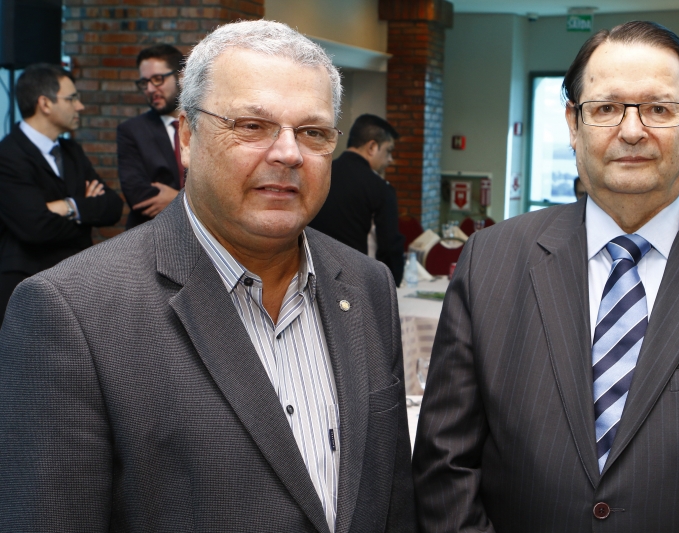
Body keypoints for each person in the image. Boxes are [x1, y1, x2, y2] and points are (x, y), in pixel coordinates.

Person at [0, 21, 414, 532]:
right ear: (188, 139)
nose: (288, 153)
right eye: (251, 125)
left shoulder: (367, 285)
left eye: (312, 133)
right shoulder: (71, 312)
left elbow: (392, 498)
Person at [413, 21, 679, 532]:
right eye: (606, 108)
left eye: (659, 109)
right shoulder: (493, 259)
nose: (633, 130)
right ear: (573, 125)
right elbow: (446, 465)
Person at [0, 63, 123, 324]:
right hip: (26, 286)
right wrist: (85, 212)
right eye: (72, 98)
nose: (80, 107)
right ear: (45, 103)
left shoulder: (72, 151)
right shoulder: (7, 155)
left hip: (77, 282)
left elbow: (112, 206)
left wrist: (66, 207)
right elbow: (35, 227)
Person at [309, 114, 405, 285]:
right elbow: (389, 248)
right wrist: (394, 283)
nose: (390, 159)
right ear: (372, 147)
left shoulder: (319, 175)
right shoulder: (380, 189)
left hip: (312, 278)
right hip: (358, 284)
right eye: (388, 150)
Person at [117, 44, 185, 228]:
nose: (149, 89)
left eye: (157, 79)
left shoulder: (205, 124)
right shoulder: (132, 131)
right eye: (144, 82)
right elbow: (138, 195)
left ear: (181, 77)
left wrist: (178, 198)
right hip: (152, 233)